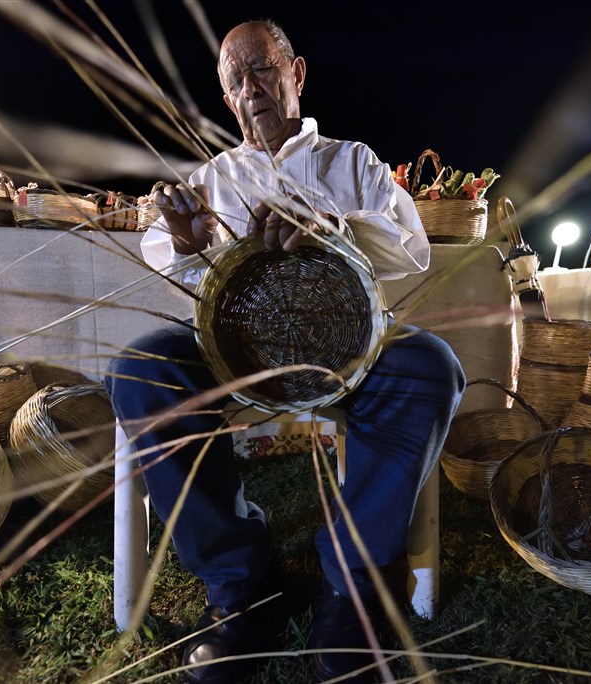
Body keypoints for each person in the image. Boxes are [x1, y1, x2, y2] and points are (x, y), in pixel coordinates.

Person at [107, 19, 464, 683]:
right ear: (227, 100)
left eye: (263, 70)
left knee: (429, 366)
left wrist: (336, 224)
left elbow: (410, 246)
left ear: (296, 74)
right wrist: (188, 241)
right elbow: (162, 252)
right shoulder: (214, 177)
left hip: (349, 356)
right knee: (143, 369)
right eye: (235, 80)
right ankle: (241, 587)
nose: (251, 89)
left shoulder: (351, 162)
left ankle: (353, 588)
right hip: (230, 359)